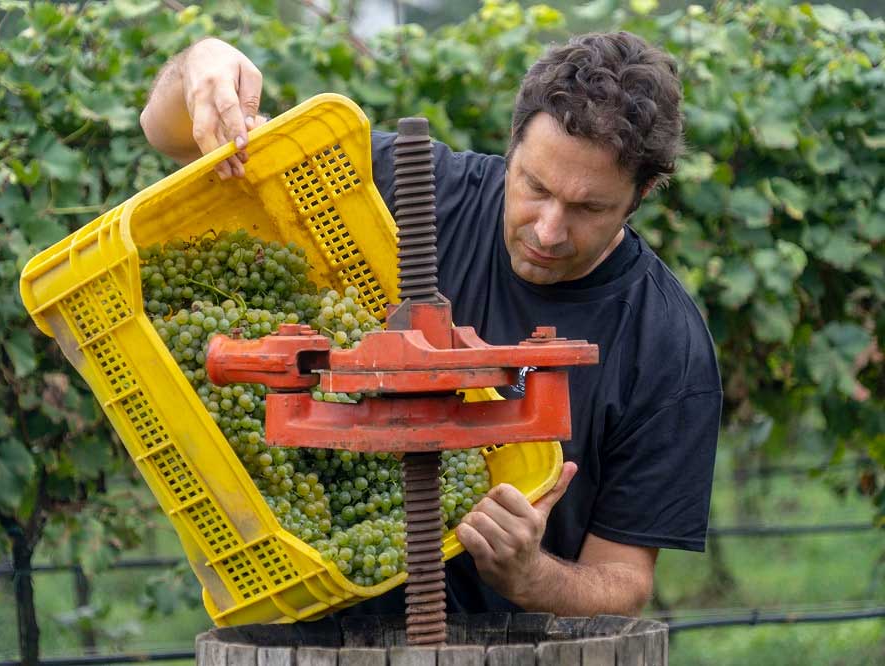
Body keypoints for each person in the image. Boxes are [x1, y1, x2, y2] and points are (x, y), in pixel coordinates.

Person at [140, 31, 722, 617]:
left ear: (641, 193)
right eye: (535, 187)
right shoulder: (414, 191)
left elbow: (622, 580)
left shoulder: (667, 347)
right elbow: (169, 135)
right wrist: (200, 65)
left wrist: (531, 576)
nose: (547, 230)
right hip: (306, 628)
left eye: (588, 208)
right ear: (513, 144)